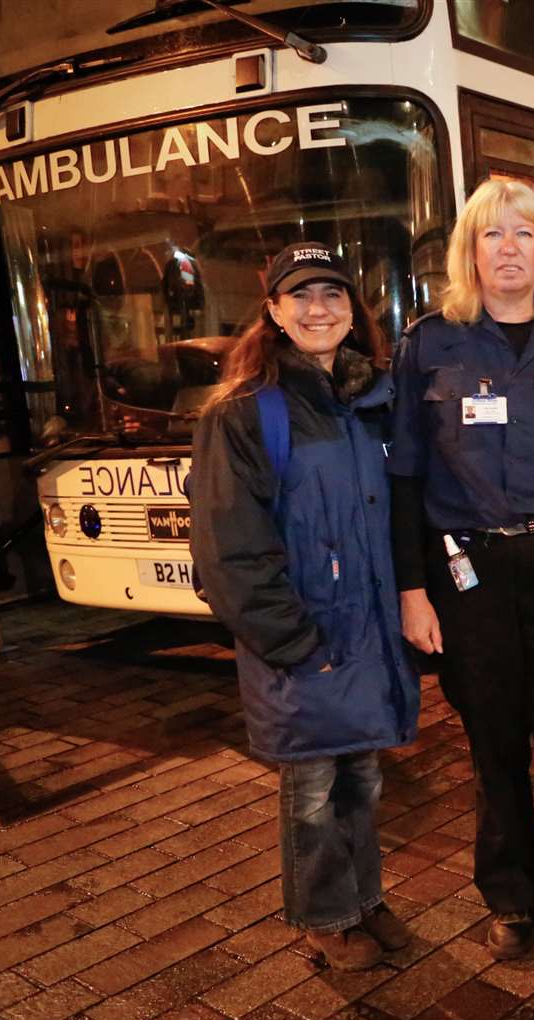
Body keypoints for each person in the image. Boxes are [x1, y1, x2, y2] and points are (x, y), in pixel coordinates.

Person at [388, 179, 534, 962]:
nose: (509, 249)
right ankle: (512, 895)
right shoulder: (429, 344)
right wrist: (412, 588)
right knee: (493, 742)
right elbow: (407, 479)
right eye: (493, 235)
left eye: (525, 234)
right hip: (470, 569)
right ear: (470, 252)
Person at [190, 243, 419, 971]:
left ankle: (364, 899)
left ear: (353, 311)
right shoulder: (245, 414)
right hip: (306, 636)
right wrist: (290, 641)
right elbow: (228, 548)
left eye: (333, 295)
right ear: (274, 313)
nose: (318, 309)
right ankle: (324, 918)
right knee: (314, 785)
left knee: (364, 776)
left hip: (367, 633)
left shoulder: (371, 398)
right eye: (301, 296)